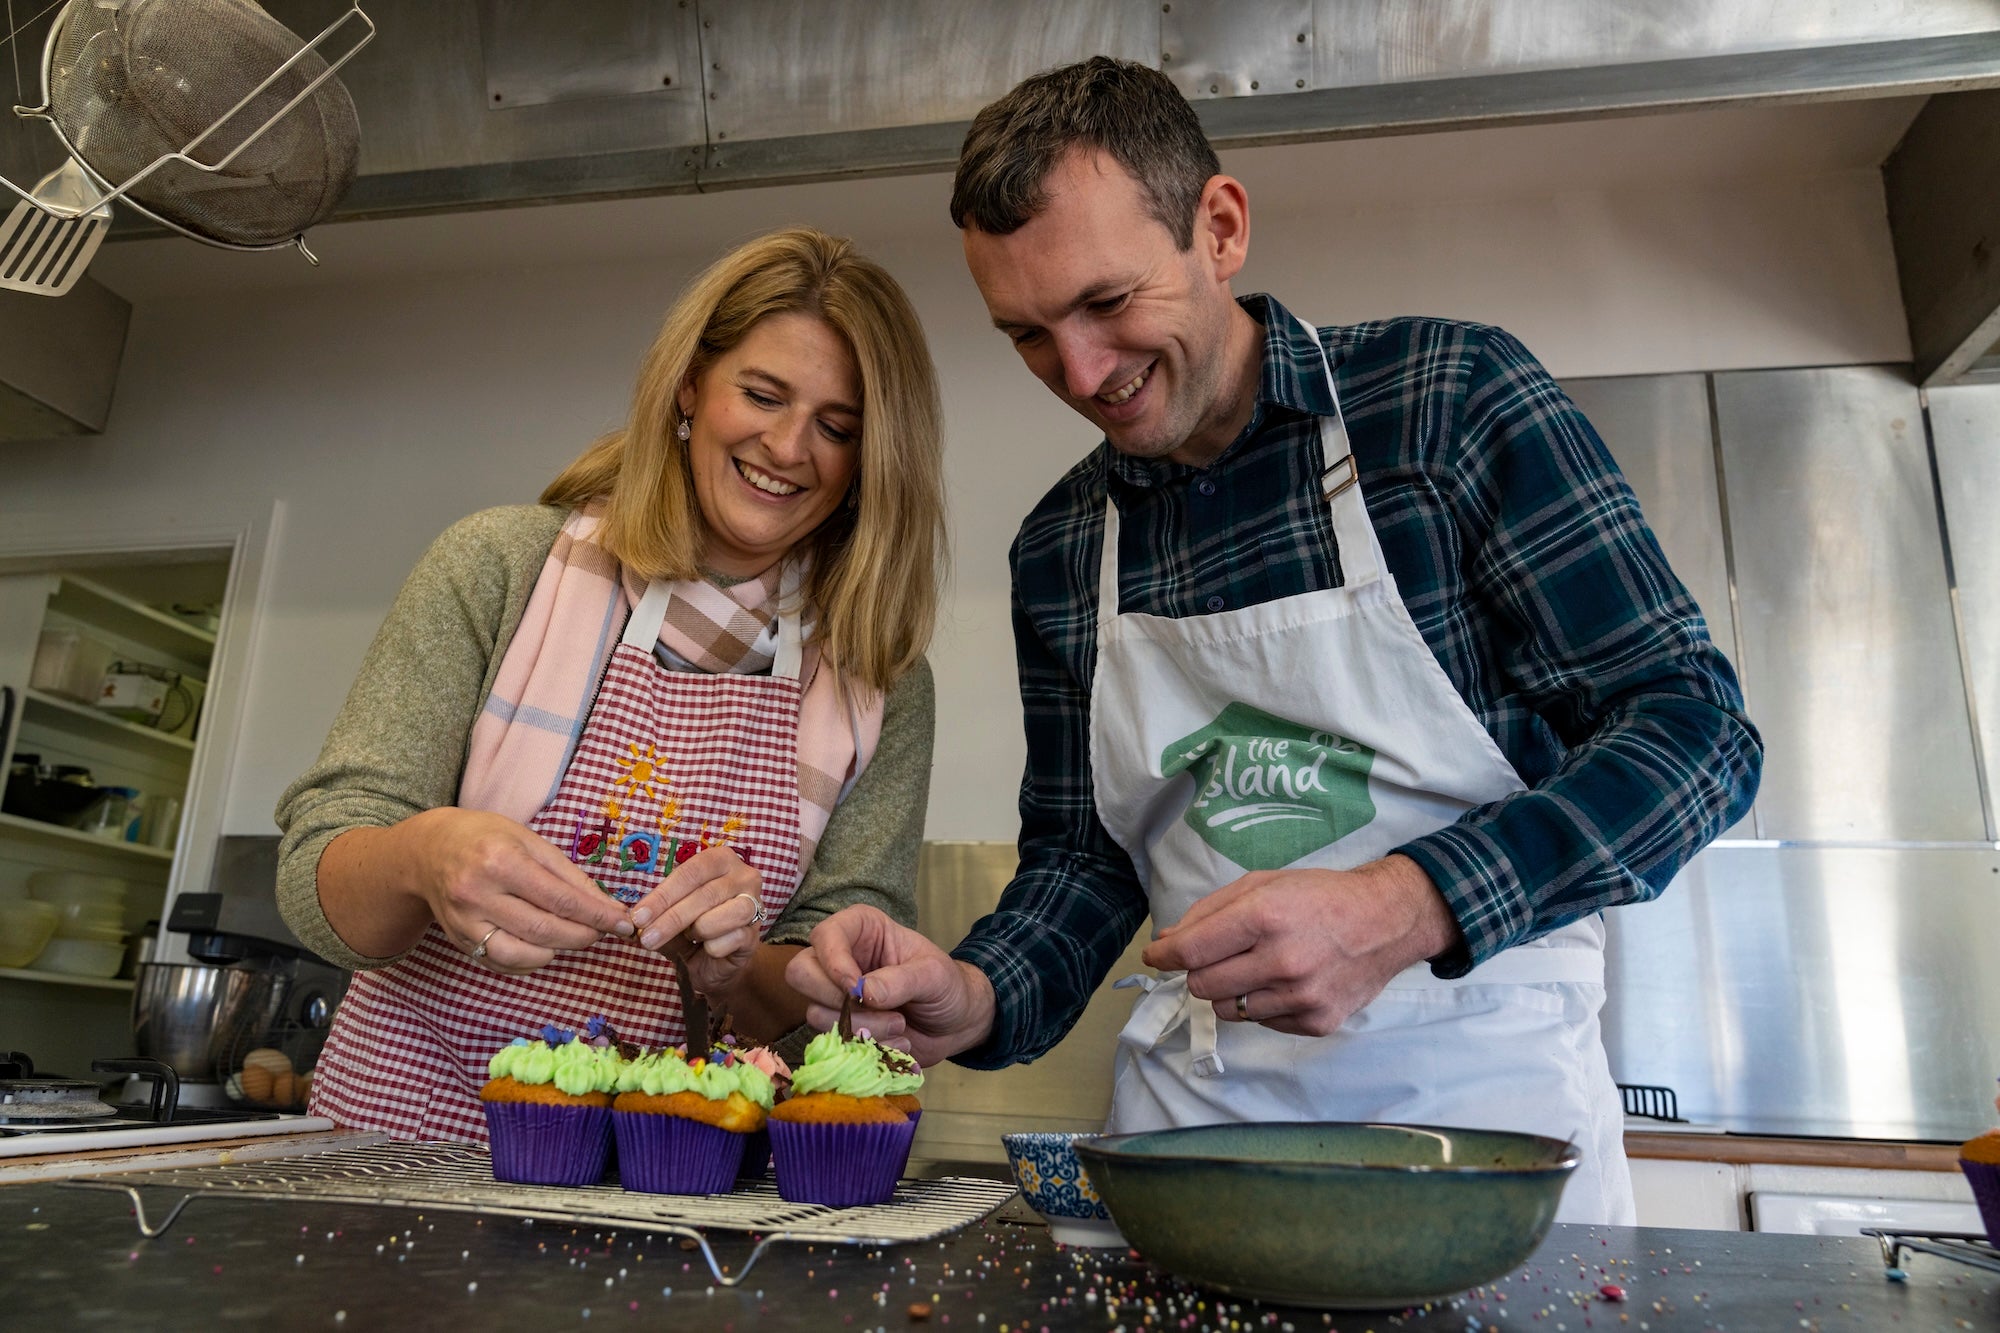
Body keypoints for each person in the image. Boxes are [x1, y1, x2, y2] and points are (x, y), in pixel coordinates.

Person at [786, 59, 1761, 1224]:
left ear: (1220, 227)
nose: (1082, 375)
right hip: (1192, 1143)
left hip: (1484, 1139)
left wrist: (1406, 904)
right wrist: (976, 989)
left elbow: (1695, 733)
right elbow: (1084, 863)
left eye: (1105, 303)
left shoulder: (1442, 404)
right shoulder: (1061, 547)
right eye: (1028, 337)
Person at [275, 227, 947, 1143]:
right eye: (761, 394)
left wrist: (735, 969)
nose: (791, 447)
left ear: (874, 461)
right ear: (687, 388)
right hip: (403, 1139)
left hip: (667, 1179)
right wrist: (421, 855)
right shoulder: (500, 568)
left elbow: (823, 1005)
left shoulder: (879, 681)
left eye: (839, 427)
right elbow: (316, 890)